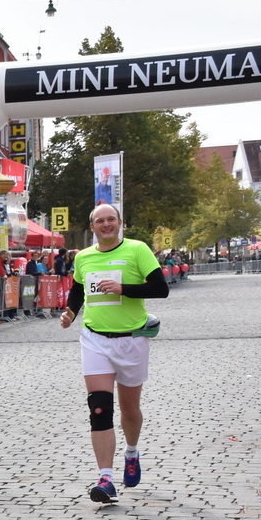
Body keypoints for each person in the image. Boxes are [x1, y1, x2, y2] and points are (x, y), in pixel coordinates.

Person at [60, 202, 168, 502]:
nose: (106, 225)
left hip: (132, 339)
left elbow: (161, 288)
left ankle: (131, 453)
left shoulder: (137, 250)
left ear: (120, 223)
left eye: (111, 220)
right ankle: (105, 478)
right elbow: (78, 290)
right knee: (99, 409)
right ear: (92, 227)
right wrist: (69, 313)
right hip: (95, 339)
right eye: (99, 221)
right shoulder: (83, 257)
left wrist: (124, 289)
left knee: (129, 410)